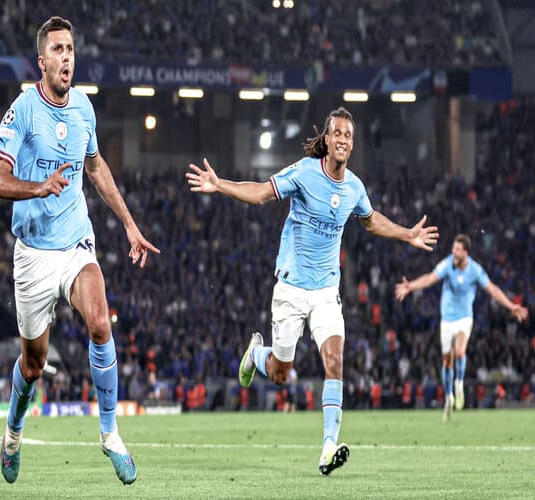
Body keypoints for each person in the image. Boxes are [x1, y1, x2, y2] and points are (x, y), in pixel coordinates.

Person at [185, 107, 438, 475]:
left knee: (334, 361)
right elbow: (261, 194)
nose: (343, 140)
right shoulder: (305, 172)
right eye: (337, 133)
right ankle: (256, 354)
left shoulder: (354, 187)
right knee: (280, 373)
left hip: (326, 293)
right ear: (327, 139)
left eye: (348, 135)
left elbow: (371, 221)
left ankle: (328, 447)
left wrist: (407, 234)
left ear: (352, 144)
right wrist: (220, 184)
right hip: (290, 288)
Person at [0, 16, 159, 485]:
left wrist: (129, 224)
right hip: (33, 253)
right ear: (41, 61)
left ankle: (110, 434)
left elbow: (96, 167)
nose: (67, 58)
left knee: (100, 321)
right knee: (33, 365)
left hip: (76, 241)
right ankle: (13, 432)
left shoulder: (84, 107)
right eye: (58, 50)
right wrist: (38, 187)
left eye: (70, 49)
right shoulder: (23, 111)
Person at [394, 234, 528, 421]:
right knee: (447, 362)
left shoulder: (475, 270)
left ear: (466, 252)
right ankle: (449, 396)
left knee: (459, 352)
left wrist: (510, 305)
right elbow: (430, 278)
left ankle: (459, 383)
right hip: (447, 320)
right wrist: (411, 286)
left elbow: (492, 289)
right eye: (453, 249)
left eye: (457, 250)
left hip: (464, 318)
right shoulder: (447, 264)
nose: (453, 252)